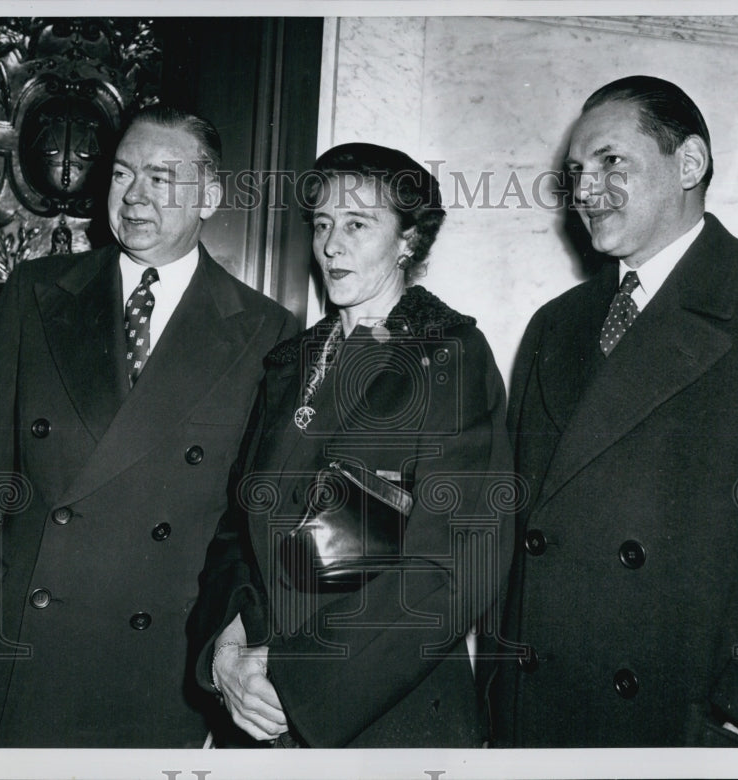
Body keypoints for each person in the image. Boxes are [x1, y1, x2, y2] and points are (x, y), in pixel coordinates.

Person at [489, 76, 738, 747]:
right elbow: (510, 539)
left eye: (611, 162)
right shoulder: (555, 326)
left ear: (688, 163)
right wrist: (496, 706)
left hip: (690, 729)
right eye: (576, 172)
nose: (586, 191)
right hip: (538, 726)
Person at [0, 106, 297, 747]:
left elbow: (247, 523)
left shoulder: (266, 331)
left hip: (152, 672)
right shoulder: (35, 291)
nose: (136, 196)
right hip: (12, 643)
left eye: (161, 177)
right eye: (122, 174)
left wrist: (227, 652)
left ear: (209, 195)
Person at [189, 143, 515, 747]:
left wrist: (295, 679)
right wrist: (227, 648)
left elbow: (455, 563)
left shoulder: (449, 356)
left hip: (383, 716)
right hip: (259, 708)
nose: (331, 244)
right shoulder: (291, 361)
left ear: (408, 240)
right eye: (322, 224)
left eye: (357, 224)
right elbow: (237, 528)